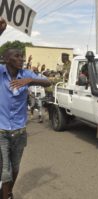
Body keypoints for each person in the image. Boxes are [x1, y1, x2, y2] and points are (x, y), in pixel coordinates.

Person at [0, 48, 51, 199]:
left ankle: (8, 192)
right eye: (17, 56)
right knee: (5, 171)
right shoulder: (1, 73)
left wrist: (30, 80)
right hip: (1, 131)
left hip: (20, 131)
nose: (21, 59)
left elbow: (48, 82)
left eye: (22, 56)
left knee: (15, 168)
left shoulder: (26, 74)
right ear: (7, 59)